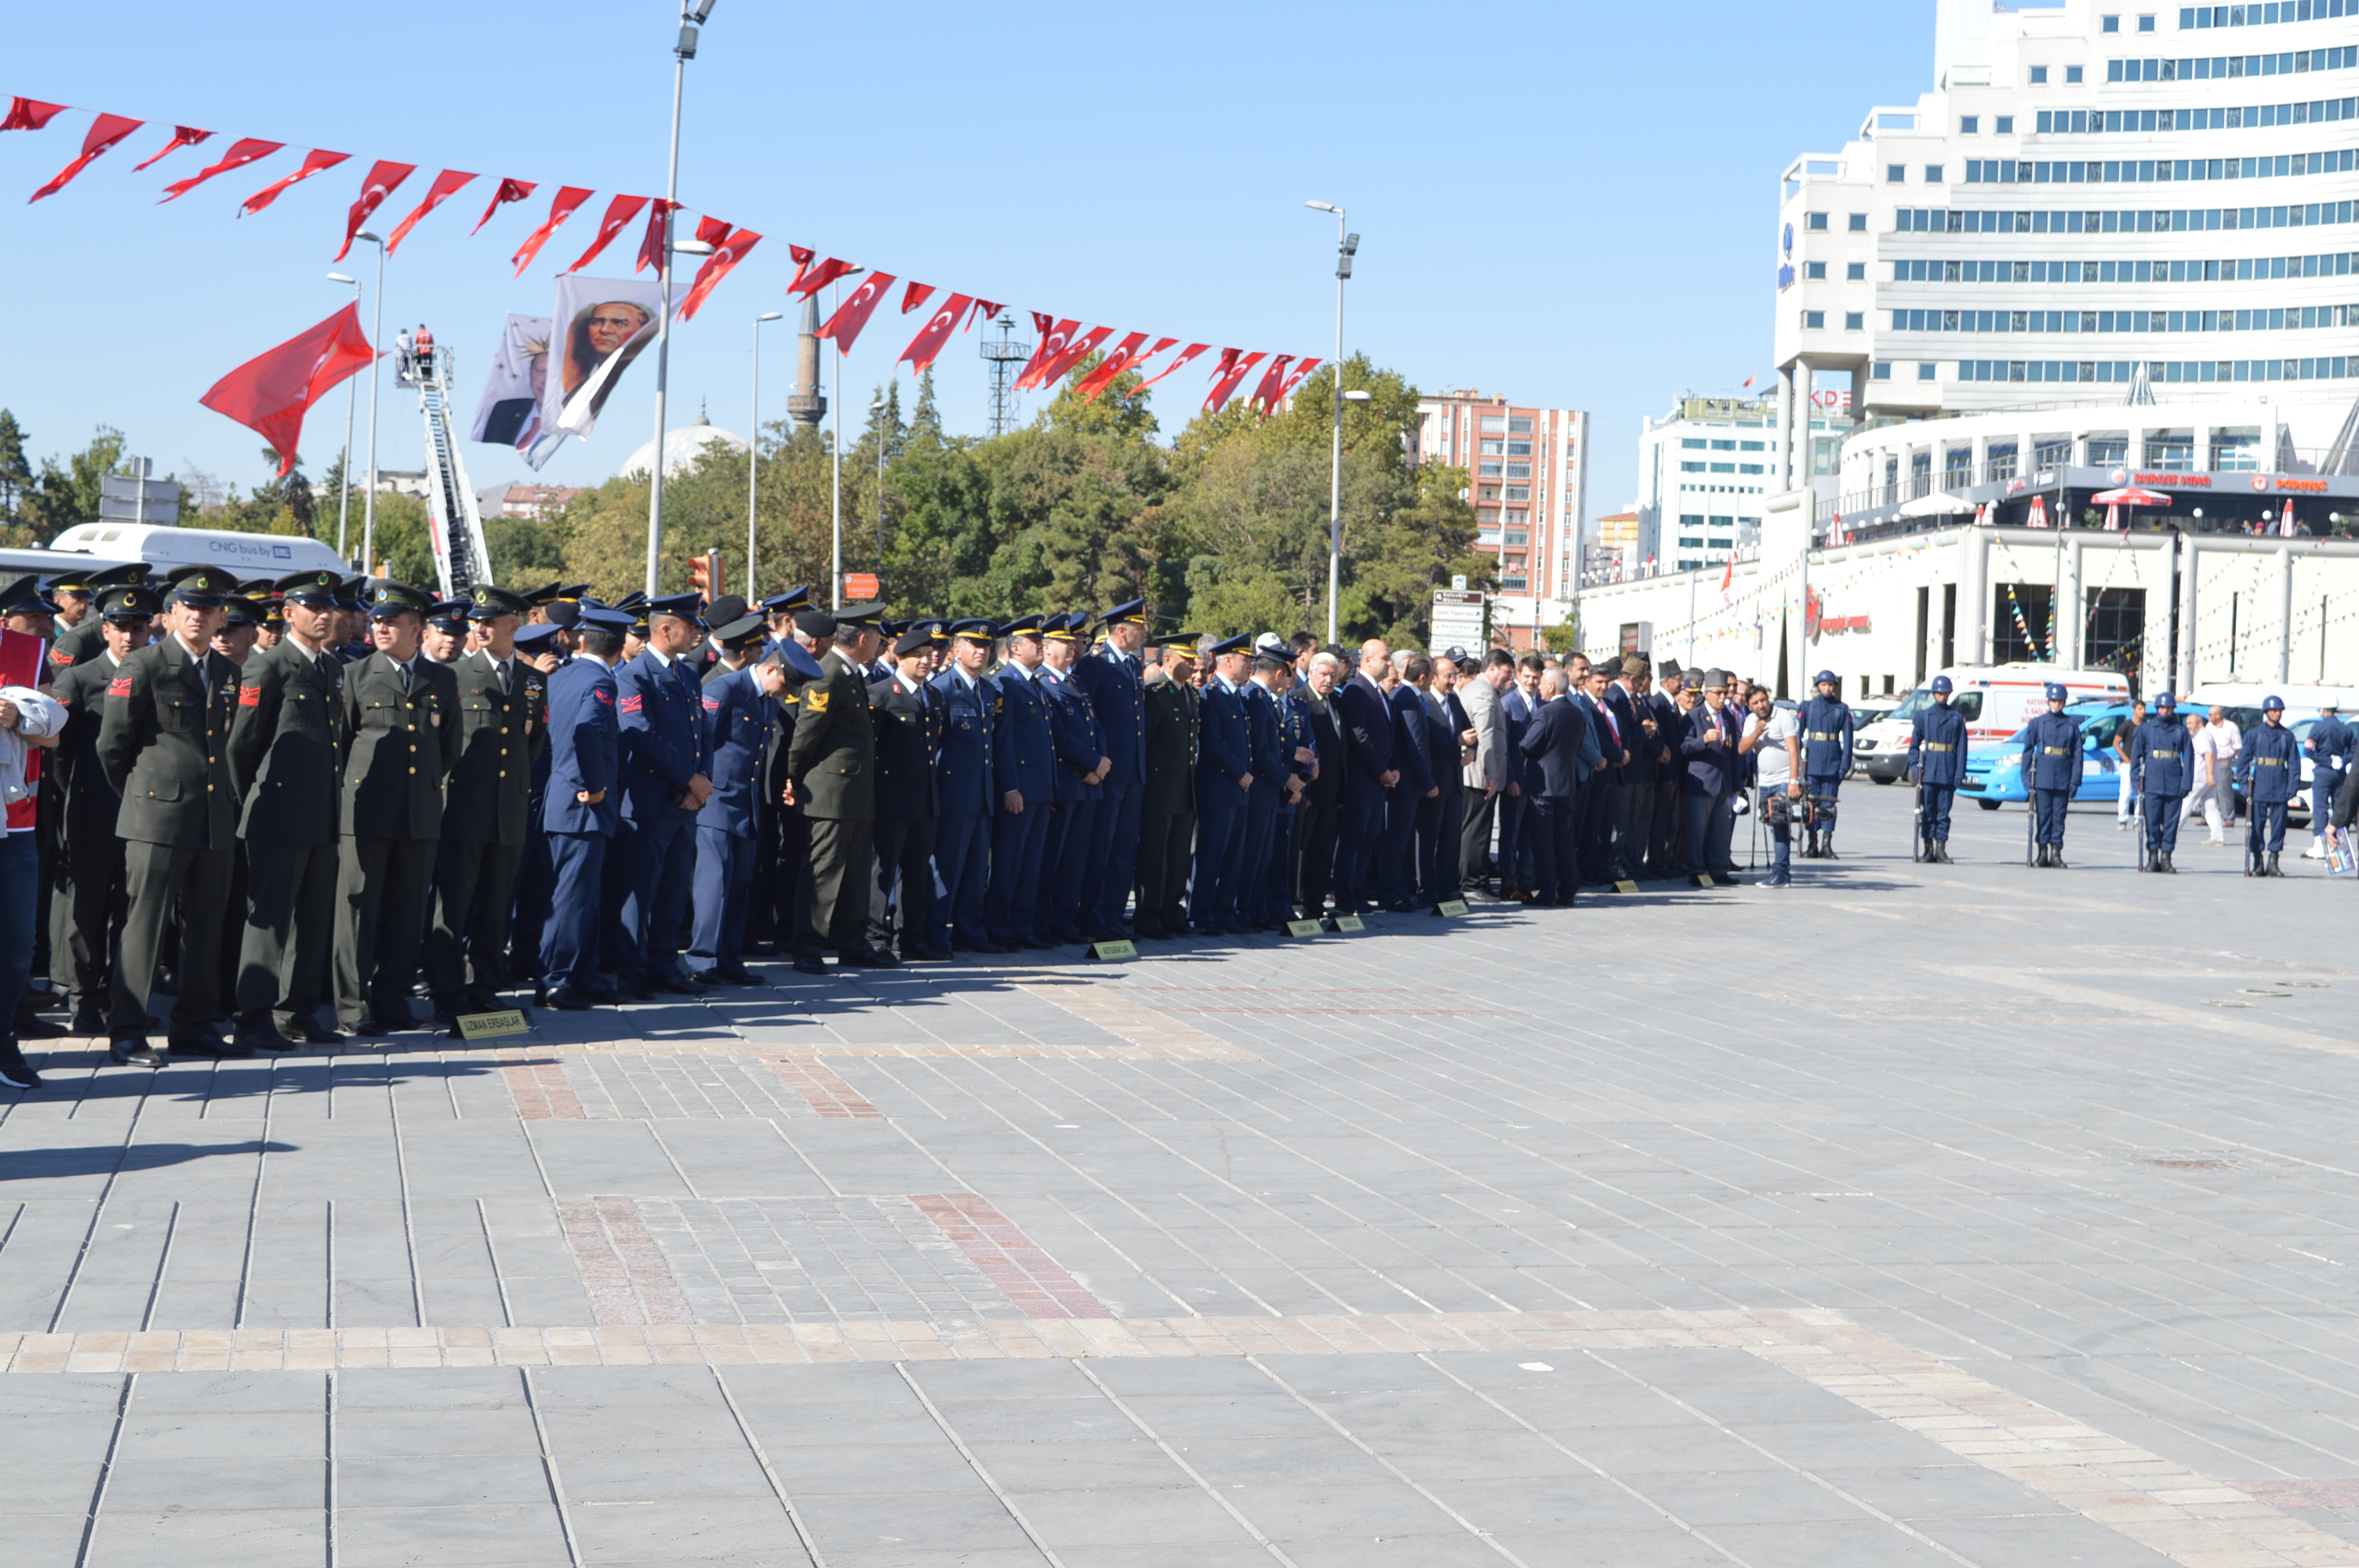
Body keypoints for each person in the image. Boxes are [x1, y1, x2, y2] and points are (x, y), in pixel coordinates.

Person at [96, 565, 245, 1064]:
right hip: (157, 818)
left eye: (209, 609)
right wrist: (143, 797)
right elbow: (112, 746)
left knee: (205, 927)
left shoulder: (228, 671)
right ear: (172, 613)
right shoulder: (144, 665)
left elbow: (219, 743)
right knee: (145, 924)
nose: (199, 617)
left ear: (222, 616)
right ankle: (128, 1031)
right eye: (190, 608)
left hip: (211, 818)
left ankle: (196, 1028)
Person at [224, 569, 351, 1051]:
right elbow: (242, 747)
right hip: (276, 813)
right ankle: (252, 1017)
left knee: (313, 918)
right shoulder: (268, 667)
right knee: (270, 920)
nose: (324, 615)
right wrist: (256, 799)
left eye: (329, 608)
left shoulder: (332, 668)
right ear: (288, 613)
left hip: (321, 813)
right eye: (313, 608)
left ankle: (295, 1012)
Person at [335, 581, 463, 1034]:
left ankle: (394, 999)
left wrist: (424, 789)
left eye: (391, 622)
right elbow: (344, 743)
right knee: (358, 911)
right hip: (366, 811)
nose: (381, 628)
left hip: (420, 812)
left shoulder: (442, 679)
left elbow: (449, 748)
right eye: (377, 622)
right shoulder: (354, 674)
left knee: (408, 912)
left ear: (417, 629)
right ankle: (353, 1007)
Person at [425, 585, 545, 1025]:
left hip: (507, 809)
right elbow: (443, 744)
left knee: (495, 908)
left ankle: (485, 989)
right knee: (453, 905)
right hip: (463, 807)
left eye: (490, 621)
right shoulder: (456, 675)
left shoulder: (534, 680)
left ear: (514, 625)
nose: (480, 628)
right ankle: (448, 991)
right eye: (478, 622)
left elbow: (533, 743)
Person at [46, 584, 155, 1036]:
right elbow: (60, 758)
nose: (128, 637)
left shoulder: (155, 674)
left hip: (142, 816)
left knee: (131, 914)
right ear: (104, 629)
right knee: (85, 916)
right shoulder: (79, 678)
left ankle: (121, 998)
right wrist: (78, 800)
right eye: (120, 628)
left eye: (137, 628)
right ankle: (83, 1000)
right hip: (93, 814)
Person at [692, 626, 811, 982]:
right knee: (714, 882)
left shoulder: (767, 699)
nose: (786, 694)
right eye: (786, 685)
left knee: (742, 883)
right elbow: (700, 740)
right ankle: (702, 961)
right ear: (772, 669)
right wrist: (696, 784)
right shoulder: (724, 689)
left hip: (747, 802)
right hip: (715, 799)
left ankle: (729, 958)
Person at [791, 604, 892, 971]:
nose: (881, 644)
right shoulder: (827, 674)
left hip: (856, 793)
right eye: (878, 637)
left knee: (856, 872)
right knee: (824, 871)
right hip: (830, 794)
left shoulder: (849, 673)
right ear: (863, 639)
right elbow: (806, 737)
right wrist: (795, 779)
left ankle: (852, 942)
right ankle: (808, 946)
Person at [540, 604, 632, 1008]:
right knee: (572, 897)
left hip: (564, 800)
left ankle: (582, 972)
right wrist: (594, 785)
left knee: (582, 896)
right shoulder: (601, 681)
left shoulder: (566, 673)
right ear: (620, 645)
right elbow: (587, 732)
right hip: (582, 805)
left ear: (583, 639)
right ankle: (557, 979)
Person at [0, 603, 64, 1089]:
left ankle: (2, 1039)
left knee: (18, 946)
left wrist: (17, 715)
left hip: (16, 823)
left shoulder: (27, 650)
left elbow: (55, 736)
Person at [866, 626, 944, 961]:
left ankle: (911, 938)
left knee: (917, 874)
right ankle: (875, 940)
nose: (927, 661)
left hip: (925, 798)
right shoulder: (881, 693)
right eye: (919, 656)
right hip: (891, 799)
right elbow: (870, 749)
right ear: (900, 658)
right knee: (882, 873)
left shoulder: (934, 695)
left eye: (930, 654)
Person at [1072, 598, 1149, 938]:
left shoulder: (1133, 666)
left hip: (1133, 772)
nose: (1145, 633)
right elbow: (1085, 719)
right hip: (1107, 772)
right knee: (1101, 850)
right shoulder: (1095, 665)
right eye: (1140, 627)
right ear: (1122, 630)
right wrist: (1093, 760)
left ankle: (1113, 917)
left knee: (1123, 849)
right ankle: (1092, 918)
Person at [1037, 613, 1111, 944]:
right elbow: (1059, 735)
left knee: (1076, 858)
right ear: (1045, 647)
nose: (1072, 648)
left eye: (1073, 643)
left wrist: (1102, 762)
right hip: (1066, 781)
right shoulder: (1041, 682)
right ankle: (1045, 919)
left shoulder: (1076, 682)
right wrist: (1094, 761)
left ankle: (1066, 919)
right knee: (1054, 856)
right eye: (1064, 643)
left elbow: (1096, 726)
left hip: (1089, 783)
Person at [984, 615, 1056, 951]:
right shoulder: (1005, 682)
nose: (1042, 646)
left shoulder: (1035, 682)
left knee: (1031, 863)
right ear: (1015, 648)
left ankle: (1023, 925)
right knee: (1009, 863)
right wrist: (1010, 787)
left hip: (1040, 789)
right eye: (1034, 642)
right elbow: (1004, 741)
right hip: (1020, 790)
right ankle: (1000, 927)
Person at [929, 619, 1000, 953]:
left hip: (982, 794)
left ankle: (969, 931)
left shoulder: (988, 691)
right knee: (946, 866)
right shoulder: (942, 689)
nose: (980, 651)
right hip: (953, 794)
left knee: (975, 870)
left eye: (985, 646)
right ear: (956, 650)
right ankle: (935, 932)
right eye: (973, 645)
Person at [1134, 632, 1200, 938]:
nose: (1193, 665)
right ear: (1169, 659)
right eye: (1187, 660)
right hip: (1160, 788)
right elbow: (1145, 744)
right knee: (1154, 855)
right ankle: (1149, 915)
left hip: (1185, 787)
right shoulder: (1155, 693)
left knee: (1177, 855)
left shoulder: (1190, 694)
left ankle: (1171, 911)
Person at [1190, 635, 1255, 933]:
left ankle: (1224, 911)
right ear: (1228, 661)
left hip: (1238, 789)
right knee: (1211, 855)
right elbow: (1214, 743)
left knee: (1233, 856)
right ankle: (1201, 914)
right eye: (1245, 660)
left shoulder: (1236, 694)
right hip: (1220, 787)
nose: (1250, 665)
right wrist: (1241, 772)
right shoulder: (1211, 695)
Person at [1331, 640, 1397, 917]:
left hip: (1377, 782)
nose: (1390, 664)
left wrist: (1392, 769)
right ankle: (1346, 898)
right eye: (1385, 658)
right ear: (1368, 661)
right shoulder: (1357, 690)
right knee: (1353, 841)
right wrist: (1383, 771)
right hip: (1362, 781)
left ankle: (1357, 894)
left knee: (1368, 839)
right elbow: (1360, 737)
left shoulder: (1377, 692)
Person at [1518, 666, 1589, 907]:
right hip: (1567, 784)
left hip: (1543, 786)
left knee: (1543, 840)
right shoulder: (1577, 713)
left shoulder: (1546, 712)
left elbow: (1527, 746)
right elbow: (1578, 748)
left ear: (1551, 686)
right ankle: (1568, 891)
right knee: (1565, 840)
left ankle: (1547, 891)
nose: (1538, 688)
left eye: (1542, 684)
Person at [1293, 649, 1343, 920]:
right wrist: (1304, 786)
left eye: (1334, 675)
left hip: (1333, 794)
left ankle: (1316, 901)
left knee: (1324, 851)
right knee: (1305, 850)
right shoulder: (1301, 700)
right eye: (1324, 674)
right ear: (1311, 672)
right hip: (1310, 791)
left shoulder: (1335, 701)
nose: (1329, 679)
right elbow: (1301, 746)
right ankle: (1301, 901)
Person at [1456, 650, 1511, 893]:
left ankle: (1475, 879)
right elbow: (1484, 735)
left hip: (1480, 774)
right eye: (1507, 672)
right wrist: (1492, 775)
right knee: (1476, 832)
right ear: (1492, 669)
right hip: (1479, 776)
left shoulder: (1481, 690)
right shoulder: (1482, 693)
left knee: (1478, 830)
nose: (1510, 679)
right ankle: (1470, 883)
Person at [1741, 684, 1803, 886]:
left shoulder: (1782, 716)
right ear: (1749, 706)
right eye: (1755, 703)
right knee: (1771, 823)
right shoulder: (1751, 721)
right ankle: (1780, 871)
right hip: (1765, 781)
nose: (1761, 705)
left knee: (1780, 824)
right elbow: (1742, 749)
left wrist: (1794, 781)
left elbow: (1794, 751)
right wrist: (1756, 734)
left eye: (1763, 700)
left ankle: (1780, 873)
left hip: (1784, 780)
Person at [1900, 675, 1966, 864]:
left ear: (1949, 694)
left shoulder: (1957, 718)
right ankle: (1928, 849)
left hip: (1947, 769)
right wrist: (1914, 767)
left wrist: (1959, 773)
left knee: (1943, 814)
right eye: (1938, 692)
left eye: (1945, 693)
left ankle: (1941, 849)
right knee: (1927, 812)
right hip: (1928, 771)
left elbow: (1962, 749)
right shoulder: (1924, 716)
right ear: (1933, 694)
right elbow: (1913, 747)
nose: (1942, 696)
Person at [1678, 670, 1736, 881]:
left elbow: (1733, 752)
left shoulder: (1727, 716)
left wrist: (1736, 783)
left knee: (1722, 830)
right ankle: (1696, 870)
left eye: (1725, 692)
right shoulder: (1693, 716)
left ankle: (1719, 870)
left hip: (1724, 783)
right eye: (1719, 693)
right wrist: (1702, 740)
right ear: (1708, 692)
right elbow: (1682, 747)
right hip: (1702, 782)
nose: (1723, 697)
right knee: (1698, 831)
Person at [2237, 695, 2301, 877]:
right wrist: (2243, 785)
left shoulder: (2287, 736)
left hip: (2280, 785)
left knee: (2279, 826)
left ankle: (2274, 861)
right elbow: (2243, 763)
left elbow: (2294, 765)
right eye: (2274, 711)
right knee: (2256, 825)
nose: (2277, 713)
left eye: (2280, 711)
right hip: (2260, 786)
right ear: (2267, 712)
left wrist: (2292, 787)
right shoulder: (2254, 734)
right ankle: (2258, 861)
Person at [2019, 682, 2080, 869]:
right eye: (2054, 700)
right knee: (2043, 816)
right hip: (2043, 777)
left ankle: (2056, 853)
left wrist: (2075, 781)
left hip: (2063, 776)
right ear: (2049, 701)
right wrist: (2027, 778)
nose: (2057, 704)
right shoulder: (2038, 723)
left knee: (2059, 817)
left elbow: (2078, 755)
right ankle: (2042, 853)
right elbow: (2028, 752)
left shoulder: (2071, 725)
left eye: (2060, 700)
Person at [2129, 691, 2190, 873]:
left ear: (2173, 709)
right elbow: (2136, 758)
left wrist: (2186, 784)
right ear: (2157, 709)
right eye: (2162, 707)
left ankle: (2166, 858)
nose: (2165, 710)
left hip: (2174, 782)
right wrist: (2136, 782)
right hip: (2152, 782)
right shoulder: (2145, 730)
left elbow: (2189, 759)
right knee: (2153, 822)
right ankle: (2153, 856)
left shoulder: (2181, 730)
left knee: (2171, 823)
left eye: (2169, 707)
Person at [1797, 670, 1854, 858]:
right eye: (1823, 685)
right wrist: (1797, 762)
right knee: (1810, 803)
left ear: (1835, 687)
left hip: (1832, 760)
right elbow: (1797, 736)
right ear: (1818, 686)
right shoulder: (1808, 706)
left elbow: (1848, 739)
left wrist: (1844, 766)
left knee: (1829, 804)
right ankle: (1812, 844)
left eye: (1830, 685)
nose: (1826, 688)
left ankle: (1826, 844)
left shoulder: (1842, 709)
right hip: (1812, 761)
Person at [2303, 700, 2350, 860]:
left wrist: (2325, 761)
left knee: (2320, 807)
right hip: (2340, 773)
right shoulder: (2345, 728)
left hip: (2323, 772)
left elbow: (2308, 750)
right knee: (2340, 808)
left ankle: (2320, 845)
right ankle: (2340, 846)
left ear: (2323, 709)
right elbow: (2354, 750)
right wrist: (2343, 760)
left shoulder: (2319, 727)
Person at [2111, 698, 2146, 833]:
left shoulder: (2145, 726)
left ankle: (2138, 820)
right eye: (2140, 709)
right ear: (2133, 710)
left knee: (2140, 793)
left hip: (2141, 764)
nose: (2142, 711)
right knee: (2125, 792)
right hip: (2128, 765)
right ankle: (2122, 819)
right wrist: (2126, 759)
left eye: (2144, 709)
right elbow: (2116, 743)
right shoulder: (2126, 725)